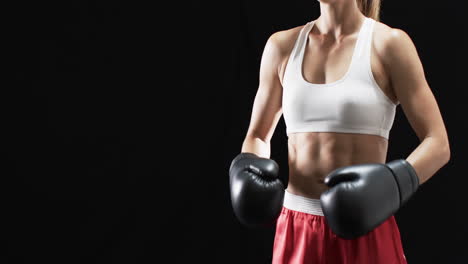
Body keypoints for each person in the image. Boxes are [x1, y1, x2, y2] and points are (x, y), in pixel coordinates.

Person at [229, 0, 451, 263]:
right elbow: (257, 135)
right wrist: (248, 166)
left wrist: (393, 183)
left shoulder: (388, 44)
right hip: (296, 228)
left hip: (366, 227)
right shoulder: (282, 46)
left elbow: (438, 143)